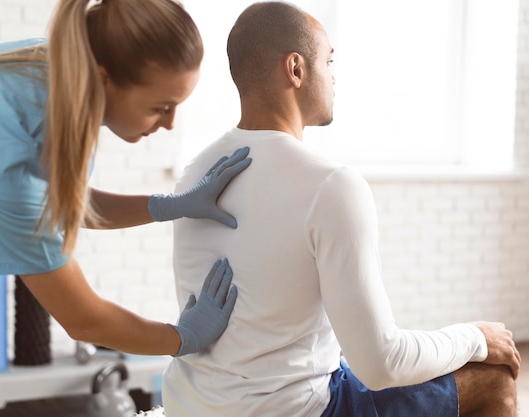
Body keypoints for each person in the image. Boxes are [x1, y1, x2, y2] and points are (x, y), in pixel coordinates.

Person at [163, 2, 521, 416]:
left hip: (191, 406)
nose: (334, 76)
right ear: (295, 69)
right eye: (329, 61)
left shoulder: (196, 174)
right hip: (292, 411)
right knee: (494, 376)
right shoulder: (330, 184)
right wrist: (477, 336)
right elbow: (382, 364)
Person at [0, 0, 248, 416]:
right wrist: (183, 338)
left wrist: (171, 206)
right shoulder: (7, 146)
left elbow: (57, 201)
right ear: (107, 78)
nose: (171, 123)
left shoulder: (55, 73)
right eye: (161, 106)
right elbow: (83, 320)